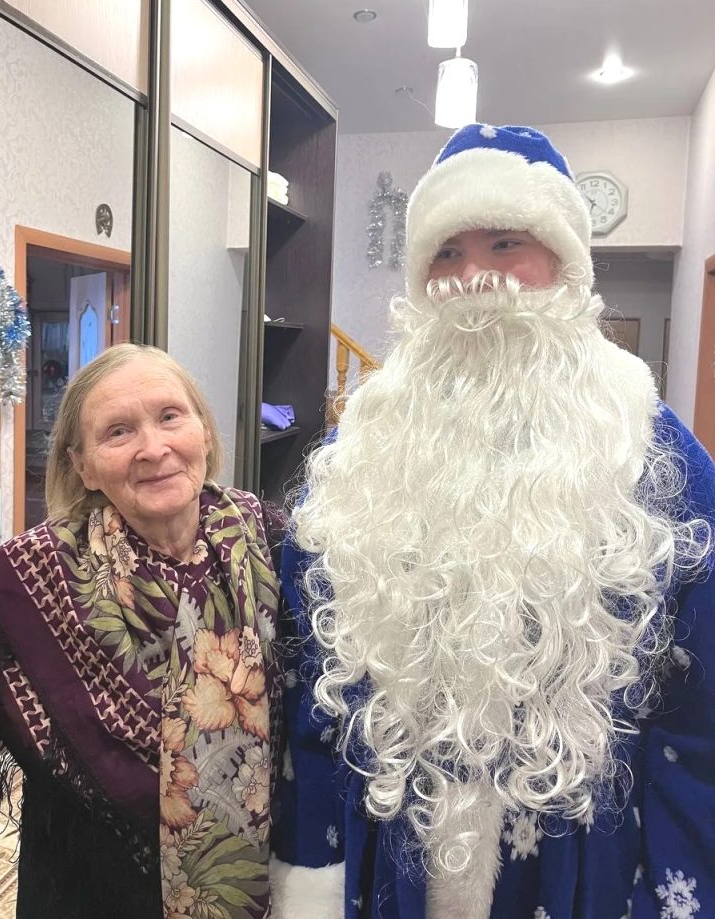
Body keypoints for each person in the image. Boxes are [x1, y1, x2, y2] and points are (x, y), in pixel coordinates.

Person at [270, 125, 715, 919]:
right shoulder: (365, 450)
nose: (473, 276)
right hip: (392, 850)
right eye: (446, 252)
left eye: (506, 243)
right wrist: (314, 868)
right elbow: (314, 683)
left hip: (584, 867)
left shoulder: (654, 454)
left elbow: (703, 719)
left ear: (565, 264)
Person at [0, 343, 284, 919]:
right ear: (84, 467)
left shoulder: (270, 536)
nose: (153, 448)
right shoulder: (30, 577)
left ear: (204, 431)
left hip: (266, 861)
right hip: (91, 885)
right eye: (118, 432)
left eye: (170, 416)